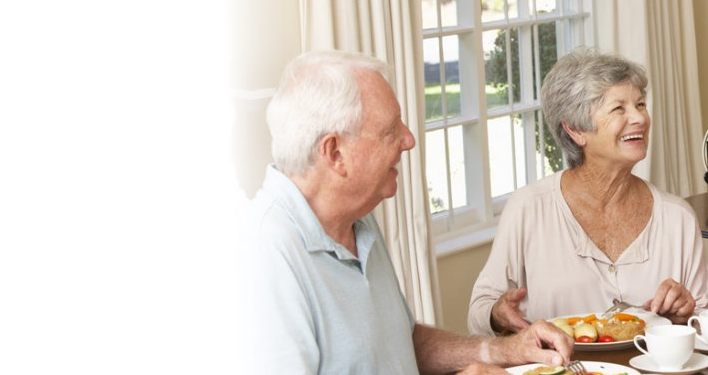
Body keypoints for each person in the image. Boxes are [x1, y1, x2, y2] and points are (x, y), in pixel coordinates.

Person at [242, 51, 573, 375]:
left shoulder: (358, 220)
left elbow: (398, 344)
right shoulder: (265, 256)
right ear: (335, 153)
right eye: (390, 131)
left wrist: (506, 350)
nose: (409, 139)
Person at [468, 51, 708, 336]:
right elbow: (479, 312)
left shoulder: (677, 217)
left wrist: (686, 314)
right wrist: (497, 314)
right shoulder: (529, 208)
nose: (640, 118)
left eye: (640, 104)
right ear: (575, 130)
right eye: (618, 109)